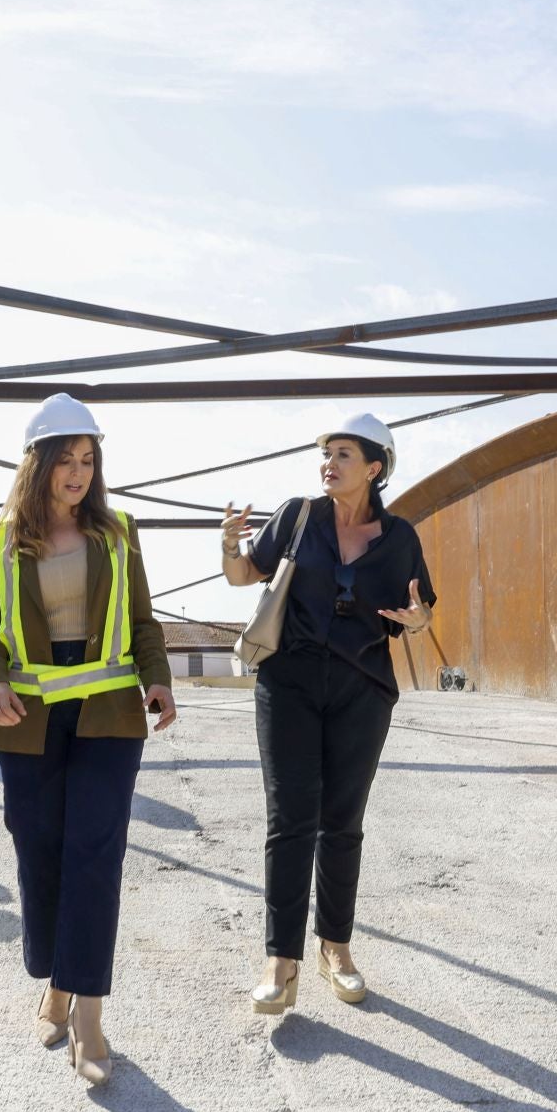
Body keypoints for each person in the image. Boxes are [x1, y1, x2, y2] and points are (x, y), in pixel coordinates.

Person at [0, 394, 175, 1086]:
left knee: (94, 856)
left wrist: (158, 678)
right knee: (39, 851)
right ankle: (56, 982)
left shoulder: (119, 533)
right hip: (27, 720)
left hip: (108, 718)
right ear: (38, 467)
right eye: (66, 461)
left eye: (88, 460)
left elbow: (142, 620)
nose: (79, 473)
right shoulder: (1, 541)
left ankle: (89, 1016)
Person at [219, 412, 435, 1017]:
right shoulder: (299, 515)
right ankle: (279, 959)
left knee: (342, 822)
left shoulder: (400, 538)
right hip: (287, 682)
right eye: (327, 453)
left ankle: (335, 948)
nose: (329, 463)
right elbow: (243, 576)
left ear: (374, 467)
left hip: (362, 690)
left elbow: (420, 612)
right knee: (289, 818)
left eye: (343, 454)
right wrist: (230, 544)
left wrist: (418, 619)